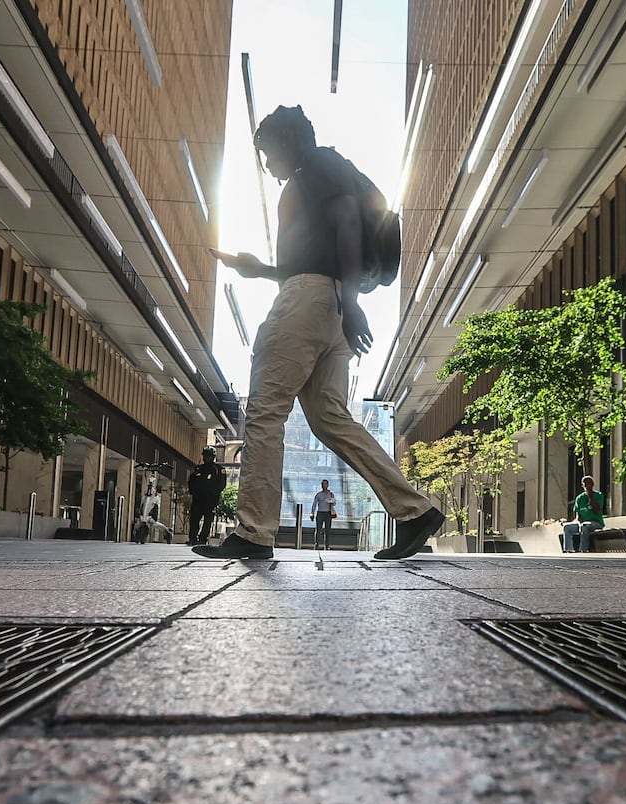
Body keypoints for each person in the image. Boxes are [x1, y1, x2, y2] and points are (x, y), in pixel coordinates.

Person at [197, 105, 443, 560]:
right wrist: (264, 271)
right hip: (325, 303)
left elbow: (348, 221)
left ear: (289, 140)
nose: (269, 167)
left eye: (269, 155)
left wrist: (349, 304)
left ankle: (253, 532)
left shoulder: (316, 166)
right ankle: (414, 511)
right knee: (329, 418)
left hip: (311, 303)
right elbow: (319, 256)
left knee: (267, 410)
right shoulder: (322, 173)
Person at [187, 447, 225, 544]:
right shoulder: (199, 468)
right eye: (205, 456)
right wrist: (193, 492)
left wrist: (213, 494)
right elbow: (191, 481)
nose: (206, 458)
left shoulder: (219, 469)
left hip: (210, 500)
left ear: (212, 457)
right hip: (198, 499)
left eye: (208, 456)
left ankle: (203, 538)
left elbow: (221, 484)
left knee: (208, 520)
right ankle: (192, 538)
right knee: (194, 519)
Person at [562, 476, 607, 553]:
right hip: (582, 523)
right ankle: (568, 549)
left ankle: (583, 549)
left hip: (596, 523)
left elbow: (597, 510)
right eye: (585, 484)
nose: (587, 486)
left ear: (593, 484)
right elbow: (578, 515)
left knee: (584, 526)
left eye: (589, 484)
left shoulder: (599, 495)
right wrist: (579, 523)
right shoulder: (579, 498)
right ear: (582, 485)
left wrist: (590, 497)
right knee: (567, 527)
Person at [312, 479, 336, 550]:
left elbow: (334, 503)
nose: (324, 485)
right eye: (323, 484)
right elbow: (314, 504)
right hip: (320, 513)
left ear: (328, 485)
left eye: (325, 484)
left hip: (328, 513)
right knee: (318, 530)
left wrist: (330, 501)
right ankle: (317, 544)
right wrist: (312, 513)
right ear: (321, 485)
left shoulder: (331, 494)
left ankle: (327, 545)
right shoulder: (318, 494)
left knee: (327, 530)